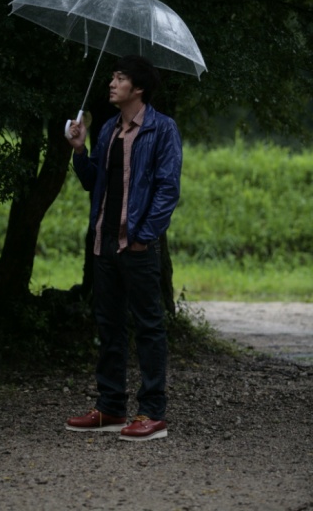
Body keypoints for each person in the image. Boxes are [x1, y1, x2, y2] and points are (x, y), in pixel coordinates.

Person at [65, 55, 182, 441]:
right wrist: (80, 150)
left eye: (120, 78)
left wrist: (142, 237)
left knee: (148, 326)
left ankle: (153, 412)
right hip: (104, 243)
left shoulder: (162, 129)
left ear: (139, 88)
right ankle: (111, 407)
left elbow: (167, 189)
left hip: (136, 246)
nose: (112, 83)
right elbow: (93, 181)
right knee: (109, 325)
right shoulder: (108, 130)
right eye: (112, 77)